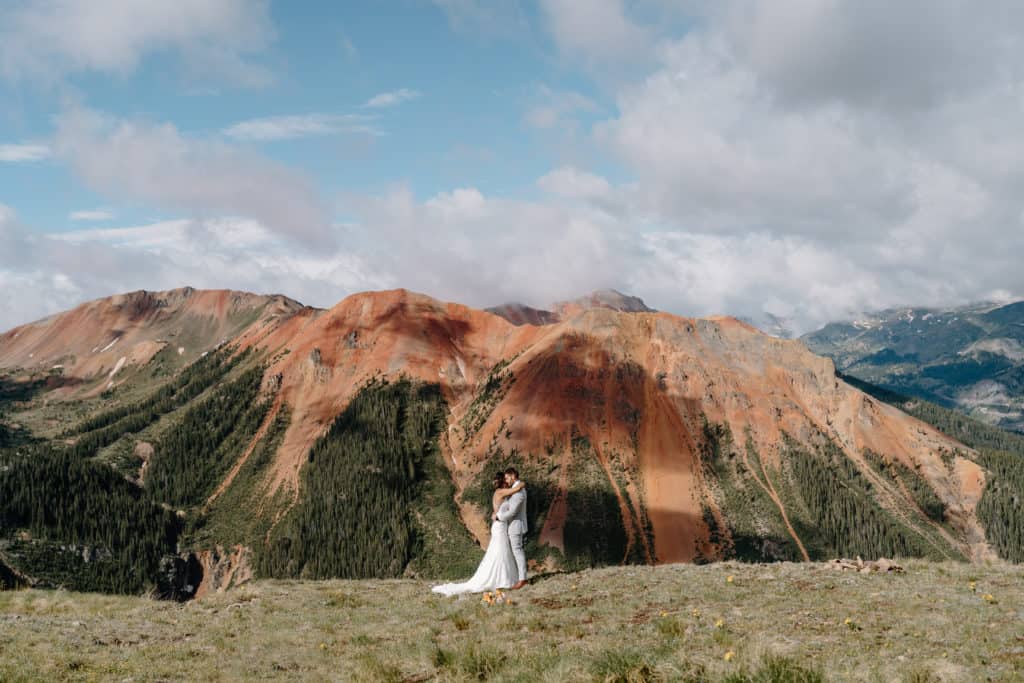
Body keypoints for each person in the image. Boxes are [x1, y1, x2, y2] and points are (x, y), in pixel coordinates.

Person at [431, 471, 523, 596]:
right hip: (499, 525)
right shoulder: (500, 492)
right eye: (505, 480)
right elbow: (517, 488)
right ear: (502, 482)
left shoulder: (500, 492)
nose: (507, 481)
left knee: (501, 550)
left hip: (501, 524)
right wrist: (521, 483)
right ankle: (502, 579)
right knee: (500, 550)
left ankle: (505, 578)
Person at [496, 467, 528, 590]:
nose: (506, 480)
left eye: (507, 477)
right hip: (513, 525)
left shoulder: (519, 491)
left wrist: (499, 517)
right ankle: (519, 577)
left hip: (516, 526)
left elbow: (513, 512)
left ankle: (523, 579)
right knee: (516, 551)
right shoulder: (515, 489)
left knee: (517, 551)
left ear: (513, 475)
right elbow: (508, 504)